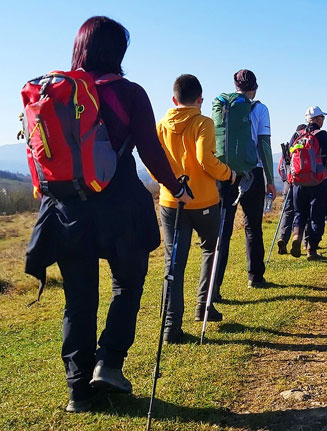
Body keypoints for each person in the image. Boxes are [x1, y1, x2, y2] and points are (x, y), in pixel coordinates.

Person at [24, 16, 192, 413]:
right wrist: (175, 186)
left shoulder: (57, 93)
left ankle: (78, 392)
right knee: (127, 285)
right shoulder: (129, 92)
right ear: (118, 51)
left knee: (78, 301)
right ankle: (109, 362)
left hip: (66, 209)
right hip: (119, 209)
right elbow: (151, 151)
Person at [155, 74, 235, 343]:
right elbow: (206, 160)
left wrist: (171, 186)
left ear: (173, 99)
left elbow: (154, 162)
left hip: (171, 201)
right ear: (200, 99)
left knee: (173, 264)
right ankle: (204, 305)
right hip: (204, 200)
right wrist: (229, 175)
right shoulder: (203, 123)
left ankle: (170, 326)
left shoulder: (161, 125)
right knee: (210, 251)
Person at [214, 69, 276, 290]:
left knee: (223, 229)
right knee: (253, 227)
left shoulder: (224, 106)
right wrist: (270, 178)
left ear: (235, 86)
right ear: (255, 87)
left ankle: (214, 288)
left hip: (224, 172)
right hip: (253, 171)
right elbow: (264, 144)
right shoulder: (259, 109)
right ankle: (255, 277)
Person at [287, 106, 327, 260]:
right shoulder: (323, 135)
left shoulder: (297, 134)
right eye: (322, 117)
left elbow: (289, 156)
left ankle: (296, 237)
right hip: (318, 181)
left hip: (298, 182)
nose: (323, 120)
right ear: (317, 119)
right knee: (317, 215)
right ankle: (312, 250)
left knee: (300, 213)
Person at [276, 124, 306, 255]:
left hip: (288, 183)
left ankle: (282, 238)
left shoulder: (288, 147)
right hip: (302, 183)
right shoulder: (306, 143)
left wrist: (285, 181)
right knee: (302, 211)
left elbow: (280, 168)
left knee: (288, 212)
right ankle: (303, 240)